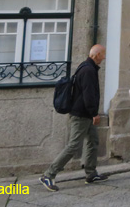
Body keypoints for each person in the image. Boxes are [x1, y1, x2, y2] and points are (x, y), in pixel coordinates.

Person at [40, 44, 109, 192]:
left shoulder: (85, 67)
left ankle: (90, 173)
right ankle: (48, 174)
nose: (104, 58)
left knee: (93, 141)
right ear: (96, 55)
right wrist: (94, 113)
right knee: (73, 145)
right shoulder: (88, 70)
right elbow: (88, 95)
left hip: (83, 113)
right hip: (81, 115)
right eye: (103, 54)